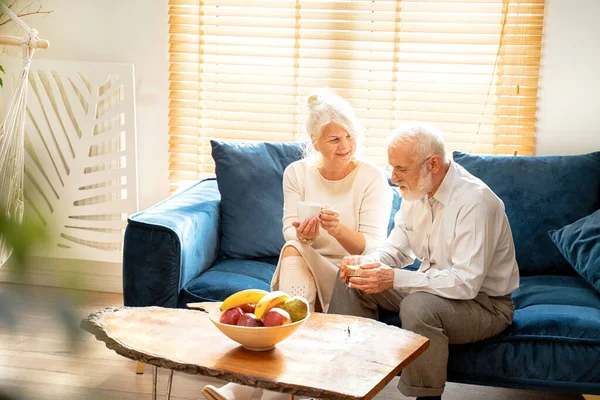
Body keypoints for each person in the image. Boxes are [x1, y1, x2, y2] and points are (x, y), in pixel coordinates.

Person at [201, 88, 393, 400]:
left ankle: (248, 389)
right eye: (334, 139)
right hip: (306, 264)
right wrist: (306, 235)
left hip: (349, 275)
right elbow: (290, 233)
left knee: (293, 262)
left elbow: (372, 247)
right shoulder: (297, 173)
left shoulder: (371, 177)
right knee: (294, 249)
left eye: (349, 136)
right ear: (315, 143)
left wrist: (338, 229)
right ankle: (275, 391)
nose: (345, 146)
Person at [328, 123, 520, 400]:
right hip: (436, 288)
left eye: (401, 169)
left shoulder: (475, 202)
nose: (393, 178)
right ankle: (349, 383)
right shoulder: (416, 192)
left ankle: (425, 397)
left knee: (418, 306)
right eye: (391, 168)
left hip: (484, 304)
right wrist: (367, 262)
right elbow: (397, 249)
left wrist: (393, 277)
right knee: (354, 278)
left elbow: (465, 284)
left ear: (432, 164)